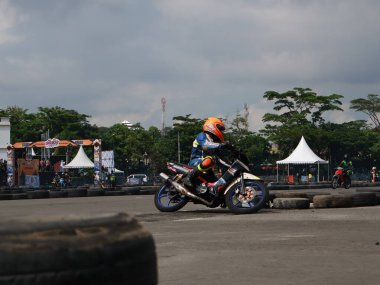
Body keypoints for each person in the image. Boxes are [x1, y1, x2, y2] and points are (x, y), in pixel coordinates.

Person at [183, 117, 231, 196]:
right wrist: (222, 144)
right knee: (210, 159)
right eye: (220, 129)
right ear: (212, 126)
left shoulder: (214, 142)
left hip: (206, 167)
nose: (222, 132)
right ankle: (189, 177)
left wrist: (230, 166)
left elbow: (220, 159)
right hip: (195, 162)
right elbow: (206, 145)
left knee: (216, 184)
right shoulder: (202, 136)